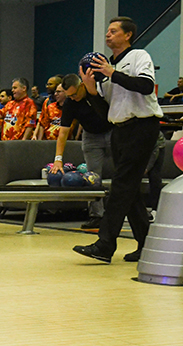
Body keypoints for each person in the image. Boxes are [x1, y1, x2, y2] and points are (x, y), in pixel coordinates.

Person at [73, 16, 162, 263]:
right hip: (119, 130)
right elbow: (106, 111)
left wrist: (113, 73)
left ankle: (105, 244)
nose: (108, 35)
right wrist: (91, 90)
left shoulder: (139, 56)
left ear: (128, 35)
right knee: (128, 189)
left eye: (113, 31)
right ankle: (148, 245)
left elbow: (146, 86)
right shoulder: (106, 67)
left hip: (143, 127)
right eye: (107, 31)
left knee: (121, 186)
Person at [51, 74, 112, 230]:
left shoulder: (99, 91)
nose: (73, 98)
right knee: (93, 177)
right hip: (91, 137)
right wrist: (58, 159)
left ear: (82, 86)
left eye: (74, 94)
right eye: (69, 96)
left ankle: (126, 212)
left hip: (113, 132)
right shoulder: (70, 103)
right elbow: (63, 133)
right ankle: (97, 215)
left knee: (122, 172)